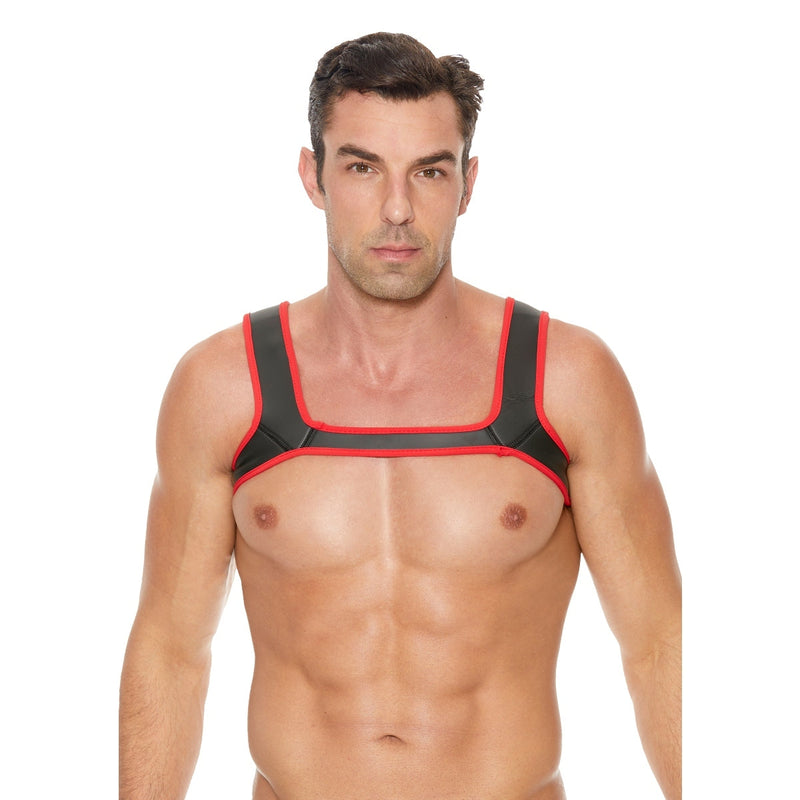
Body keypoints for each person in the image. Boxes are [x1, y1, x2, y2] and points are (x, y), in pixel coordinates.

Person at [119, 32, 682, 800]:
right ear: (313, 176)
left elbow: (657, 644)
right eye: (362, 167)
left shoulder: (567, 380)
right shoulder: (224, 387)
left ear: (468, 183)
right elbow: (172, 651)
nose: (396, 209)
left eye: (429, 171)